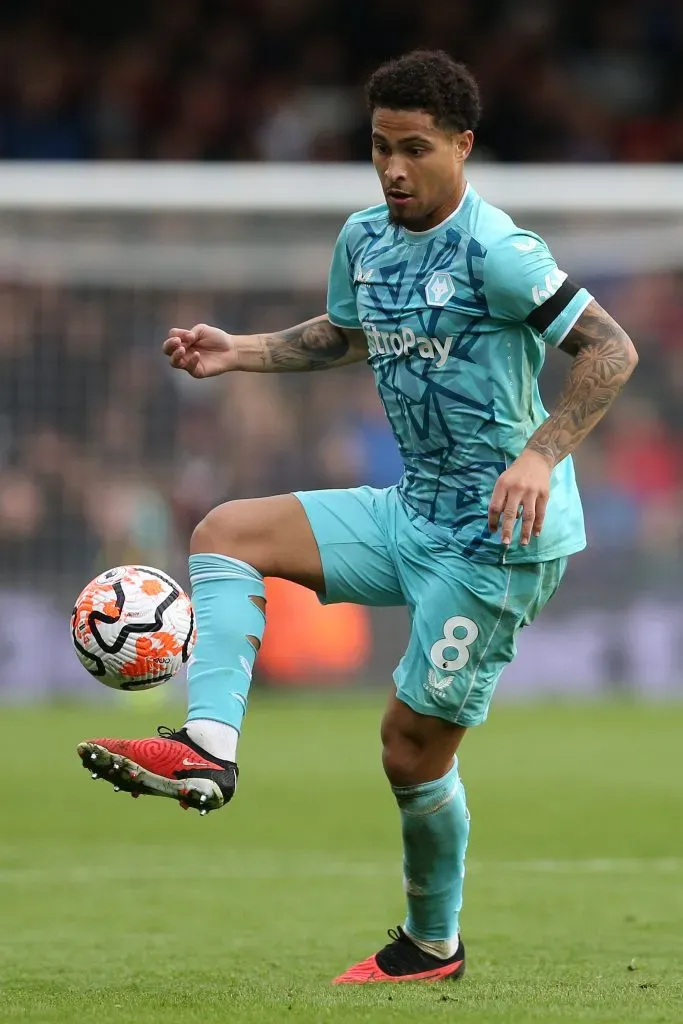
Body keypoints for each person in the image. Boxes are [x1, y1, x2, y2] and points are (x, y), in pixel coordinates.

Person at [78, 49, 638, 984]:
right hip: (409, 511)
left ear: (462, 146)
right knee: (225, 532)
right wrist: (239, 351)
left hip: (494, 544)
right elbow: (347, 332)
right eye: (380, 147)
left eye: (415, 148)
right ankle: (206, 751)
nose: (393, 169)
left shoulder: (499, 252)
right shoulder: (364, 237)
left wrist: (540, 455)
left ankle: (430, 944)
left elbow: (611, 351)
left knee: (408, 752)